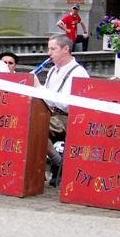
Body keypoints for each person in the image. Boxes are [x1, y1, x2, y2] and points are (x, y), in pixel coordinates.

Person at [36, 33, 90, 184]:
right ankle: (39, 169)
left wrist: (39, 88)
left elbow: (65, 103)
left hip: (69, 117)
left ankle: (57, 162)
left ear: (66, 49)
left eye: (53, 49)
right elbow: (47, 98)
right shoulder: (53, 70)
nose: (49, 53)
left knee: (37, 126)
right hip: (51, 113)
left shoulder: (78, 72)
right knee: (26, 122)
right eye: (49, 49)